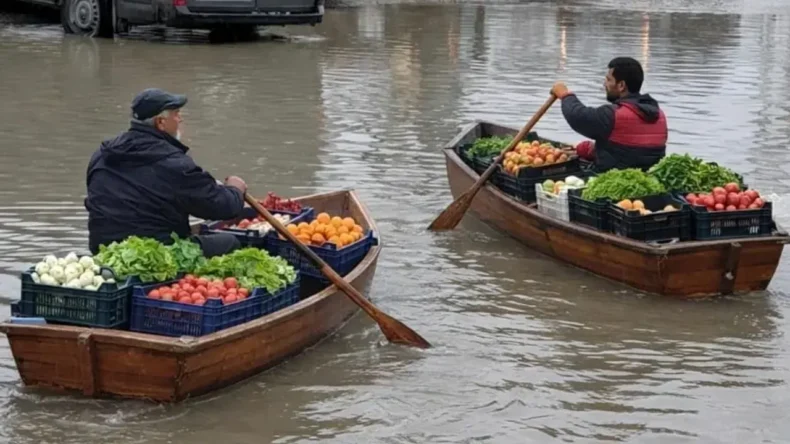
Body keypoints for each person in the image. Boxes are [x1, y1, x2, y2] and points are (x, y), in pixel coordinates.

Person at [85, 88, 247, 257]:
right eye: (176, 114)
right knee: (230, 242)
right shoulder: (175, 164)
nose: (180, 119)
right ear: (161, 122)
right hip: (157, 254)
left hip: (104, 250)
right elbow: (223, 208)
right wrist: (236, 189)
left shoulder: (101, 155)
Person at [550, 57, 668, 172]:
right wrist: (590, 150)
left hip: (615, 178)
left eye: (608, 80)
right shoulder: (659, 114)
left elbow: (577, 116)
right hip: (647, 176)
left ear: (621, 85)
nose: (604, 84)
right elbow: (631, 150)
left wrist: (565, 95)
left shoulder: (614, 115)